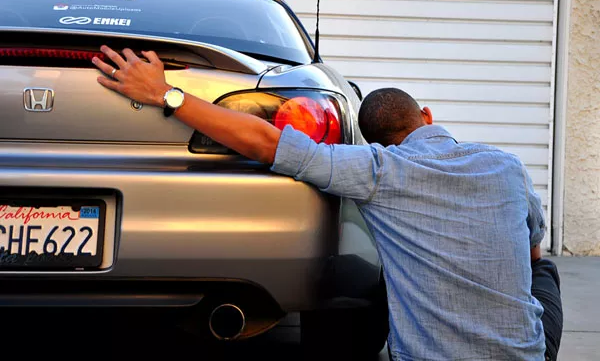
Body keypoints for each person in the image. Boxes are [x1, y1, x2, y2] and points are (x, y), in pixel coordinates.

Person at [91, 45, 563, 361]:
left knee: (381, 264)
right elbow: (532, 250)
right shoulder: (506, 165)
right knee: (541, 267)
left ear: (375, 141)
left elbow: (265, 142)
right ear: (427, 117)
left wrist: (165, 93)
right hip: (527, 354)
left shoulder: (379, 171)